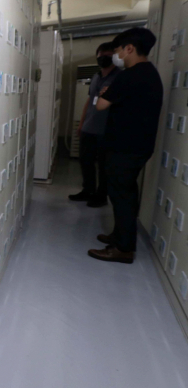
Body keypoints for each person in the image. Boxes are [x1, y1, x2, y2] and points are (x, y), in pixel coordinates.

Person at [88, 28, 163, 264]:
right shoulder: (149, 73)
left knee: (122, 196)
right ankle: (119, 236)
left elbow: (101, 104)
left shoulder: (130, 75)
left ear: (129, 48)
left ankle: (123, 248)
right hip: (136, 146)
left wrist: (106, 94)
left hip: (125, 147)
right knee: (125, 193)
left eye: (118, 50)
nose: (116, 55)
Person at [69, 42, 120, 207]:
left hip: (107, 129)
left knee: (104, 165)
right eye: (101, 56)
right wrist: (82, 123)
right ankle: (88, 190)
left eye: (107, 56)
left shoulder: (120, 77)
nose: (103, 59)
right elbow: (90, 100)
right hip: (89, 127)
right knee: (85, 161)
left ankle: (101, 195)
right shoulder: (96, 77)